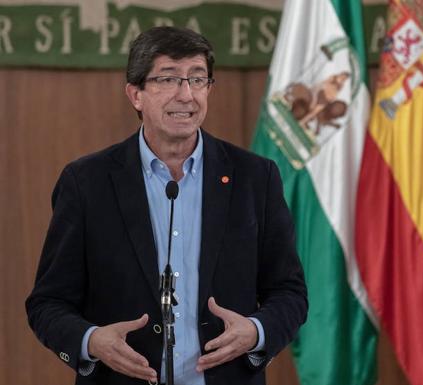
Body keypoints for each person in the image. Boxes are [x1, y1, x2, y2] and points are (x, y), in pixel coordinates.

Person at [25, 26, 308, 385]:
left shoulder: (255, 177)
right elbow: (47, 304)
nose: (186, 94)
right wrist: (91, 341)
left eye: (197, 79)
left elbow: (289, 292)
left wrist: (256, 331)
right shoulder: (86, 183)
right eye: (169, 79)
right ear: (136, 94)